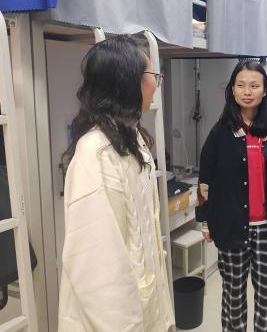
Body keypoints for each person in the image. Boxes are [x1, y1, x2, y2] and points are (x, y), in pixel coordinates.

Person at [58, 35, 174, 331]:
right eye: (153, 75)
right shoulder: (95, 154)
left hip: (143, 307)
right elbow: (99, 269)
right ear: (128, 82)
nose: (156, 84)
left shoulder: (132, 139)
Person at [196, 59, 267, 332]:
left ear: (265, 90)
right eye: (241, 85)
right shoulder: (221, 132)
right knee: (233, 296)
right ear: (232, 90)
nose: (247, 91)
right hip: (231, 226)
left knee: (266, 297)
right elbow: (206, 177)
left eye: (254, 86)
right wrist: (205, 220)